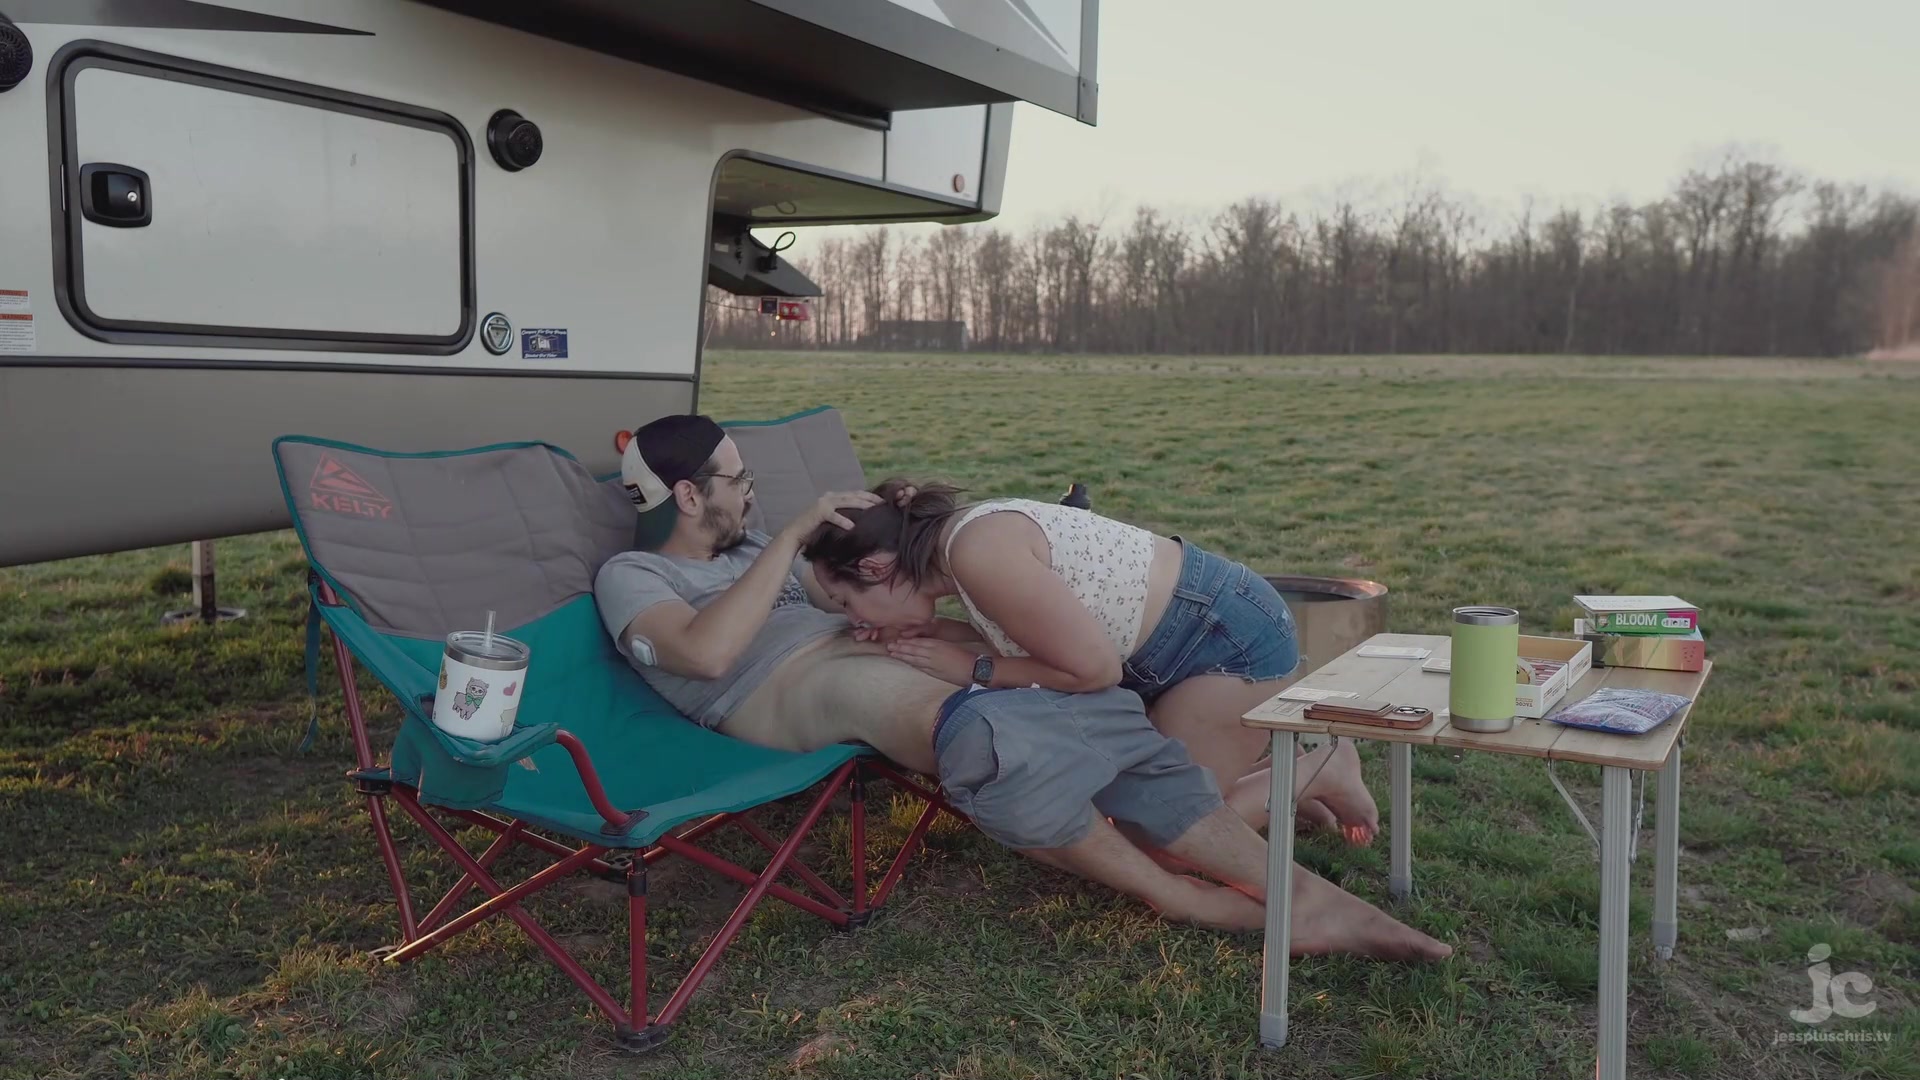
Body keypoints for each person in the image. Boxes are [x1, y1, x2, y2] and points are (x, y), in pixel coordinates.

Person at [589, 413, 1447, 958]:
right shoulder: (632, 576)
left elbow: (866, 579)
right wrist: (786, 543)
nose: (751, 494)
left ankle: (1298, 894)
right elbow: (704, 656)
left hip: (870, 658)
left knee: (1096, 711)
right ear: (689, 495)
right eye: (737, 481)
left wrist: (896, 570)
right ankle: (1183, 896)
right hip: (790, 689)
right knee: (998, 735)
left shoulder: (752, 552)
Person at [800, 480, 1380, 843]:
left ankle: (1323, 766)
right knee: (1127, 809)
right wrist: (936, 633)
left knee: (1169, 837)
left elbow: (1093, 671)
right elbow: (1041, 635)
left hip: (1224, 645)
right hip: (1177, 642)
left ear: (875, 568)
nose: (852, 617)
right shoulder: (958, 549)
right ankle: (1281, 778)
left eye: (846, 601)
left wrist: (972, 669)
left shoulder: (978, 554)